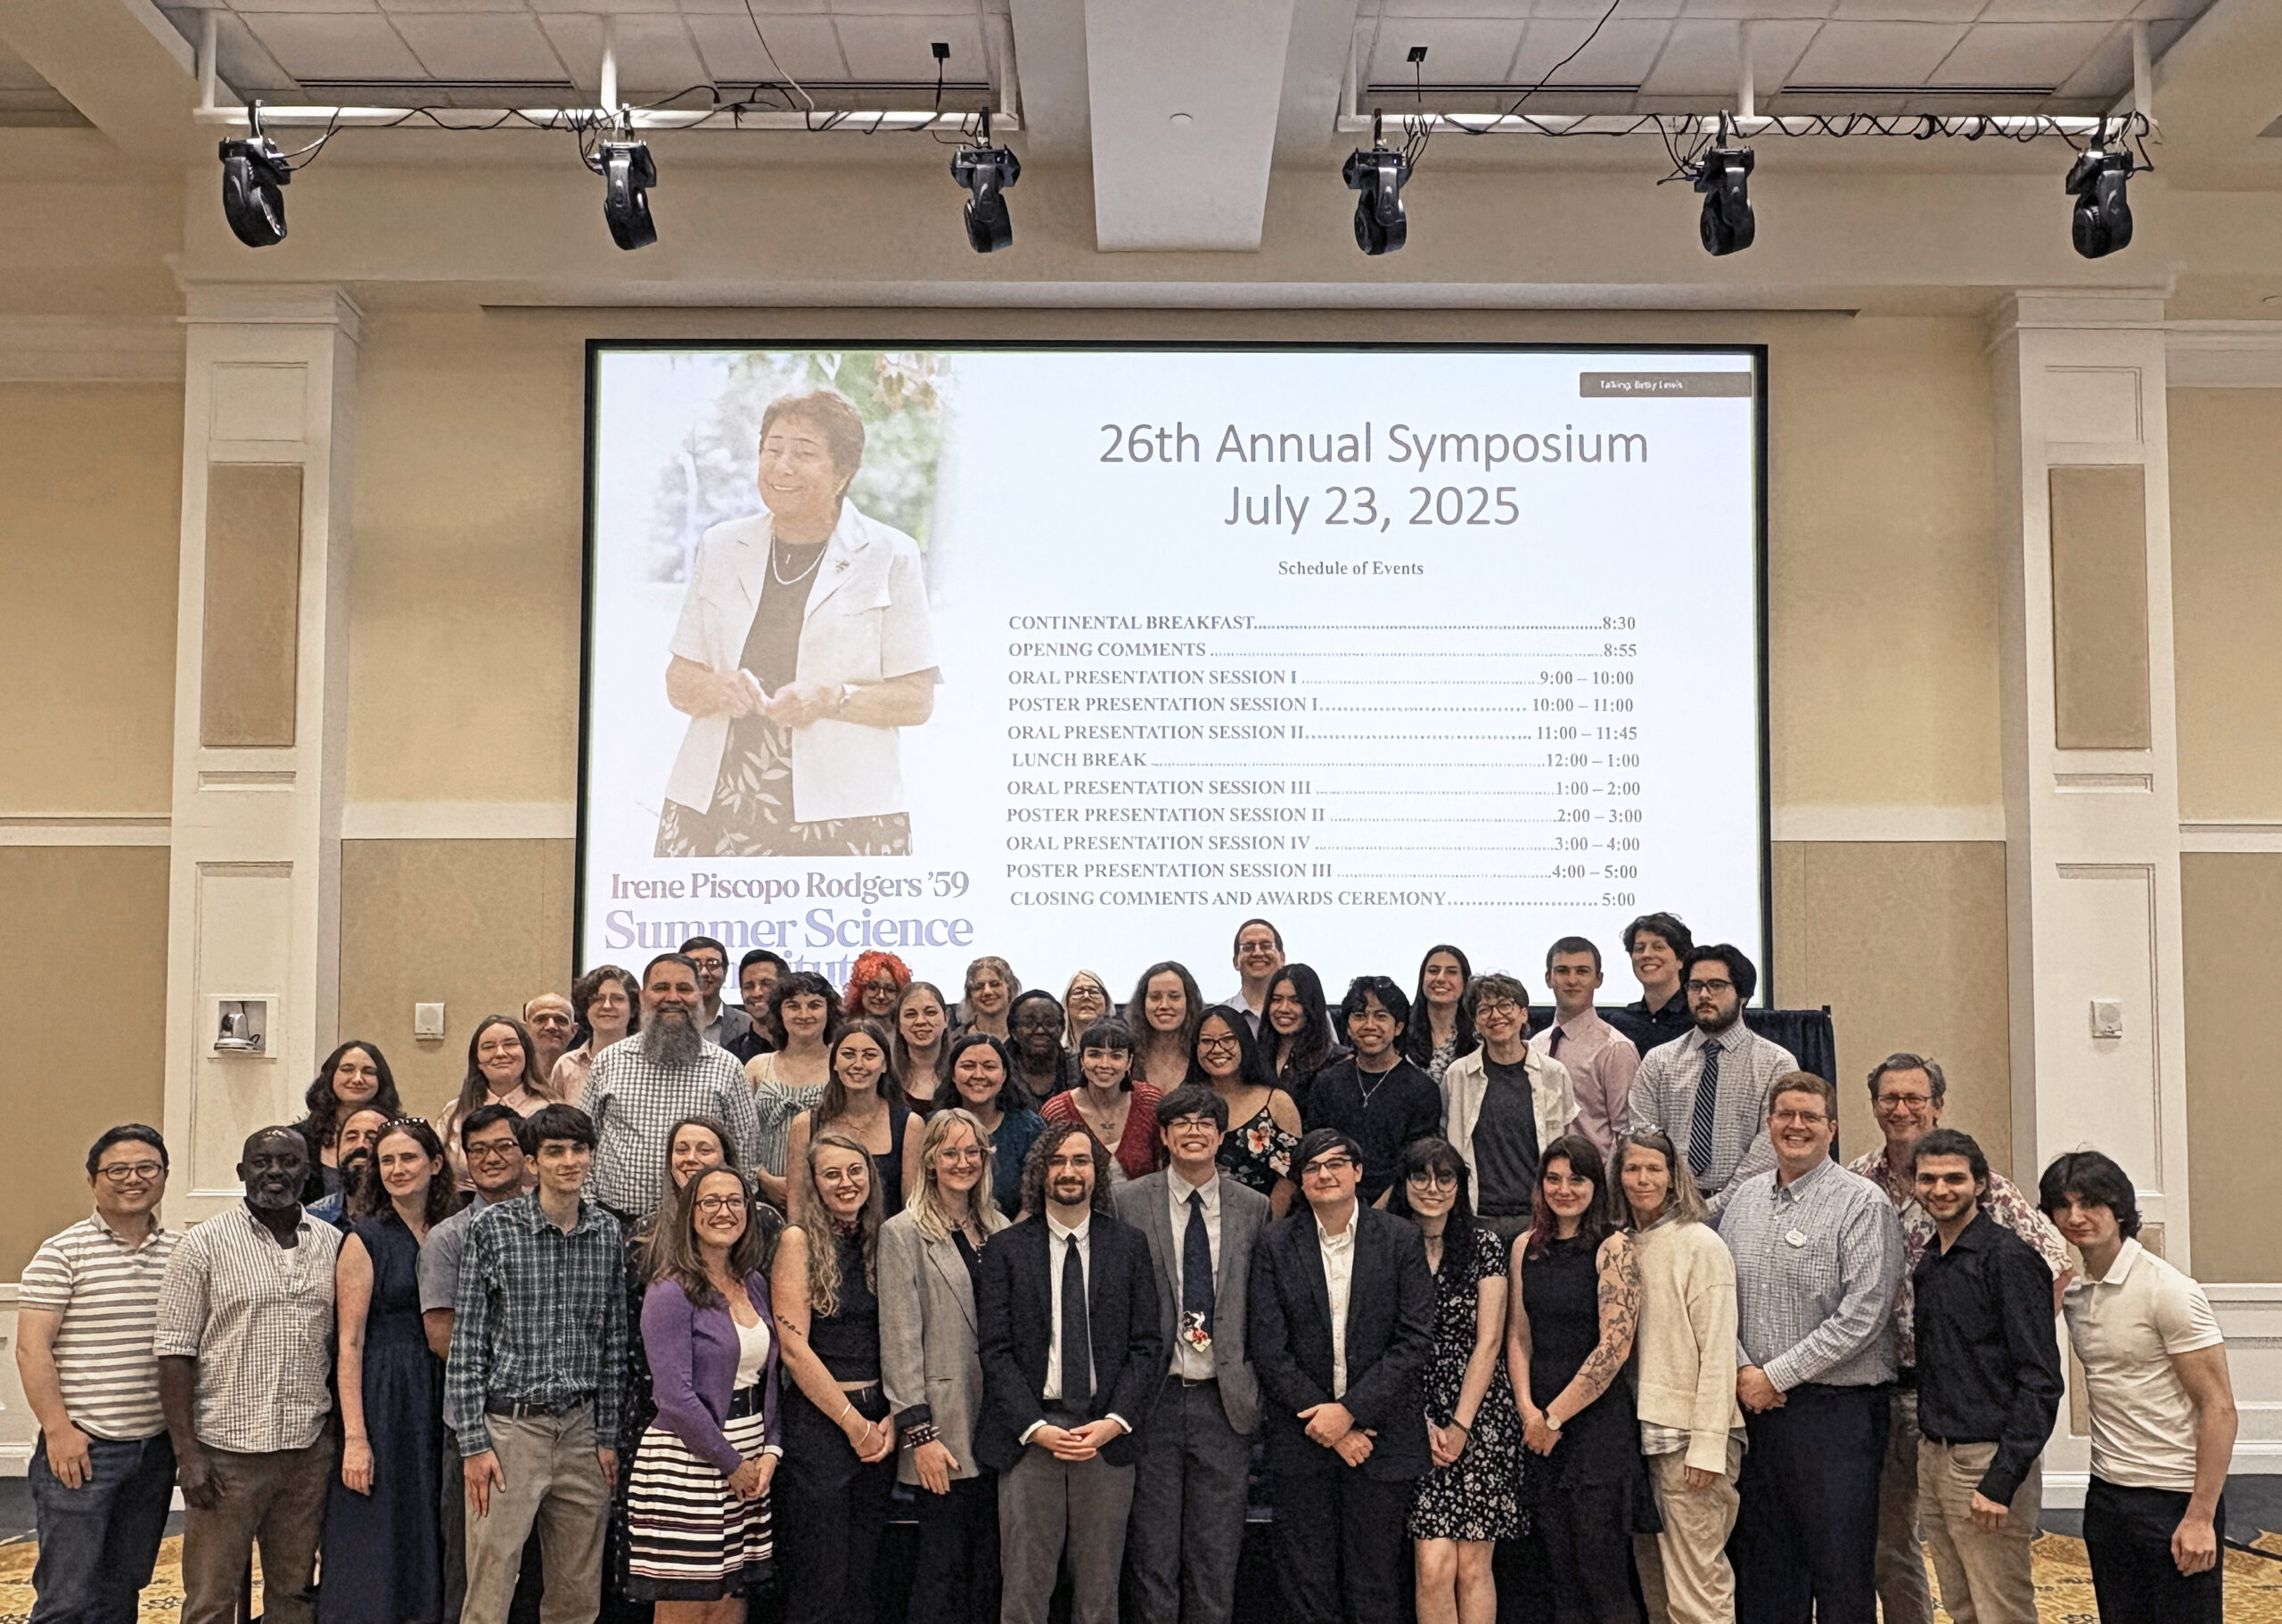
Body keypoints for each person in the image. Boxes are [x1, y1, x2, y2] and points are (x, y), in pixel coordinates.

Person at [656, 386, 940, 858]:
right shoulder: (722, 546)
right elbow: (678, 680)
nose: (781, 466)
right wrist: (717, 689)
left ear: (842, 472)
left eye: (803, 453)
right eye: (772, 450)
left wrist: (832, 698)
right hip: (714, 809)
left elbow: (917, 701)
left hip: (846, 816)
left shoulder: (891, 554)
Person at [1847, 1054, 2069, 1624]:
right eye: (1889, 1098)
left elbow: (2056, 1261)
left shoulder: (1993, 1210)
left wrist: (1999, 1338)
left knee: (1995, 1585)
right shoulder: (1856, 1180)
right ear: (1874, 1106)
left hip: (1980, 1415)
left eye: (1914, 1098)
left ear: (1937, 1104)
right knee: (1910, 1554)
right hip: (1894, 1400)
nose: (1901, 1108)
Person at [1717, 1072, 1902, 1624]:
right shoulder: (1743, 1200)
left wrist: (1774, 1376)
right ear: (1768, 1123)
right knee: (1765, 1567)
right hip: (1755, 1412)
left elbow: (1863, 1317)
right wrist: (1746, 1370)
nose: (1796, 1126)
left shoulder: (1861, 1204)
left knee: (1840, 1571)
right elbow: (1718, 1297)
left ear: (1832, 1128)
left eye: (1809, 1117)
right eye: (1785, 1115)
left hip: (1836, 1418)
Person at [447, 1103, 628, 1624]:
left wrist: (607, 1434)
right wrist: (473, 1443)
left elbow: (614, 1342)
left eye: (578, 1149)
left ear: (591, 1156)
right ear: (532, 1162)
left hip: (581, 1429)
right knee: (491, 1582)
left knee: (576, 1591)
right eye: (554, 1152)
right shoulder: (495, 1229)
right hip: (510, 1430)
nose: (569, 1161)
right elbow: (467, 1345)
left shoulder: (606, 1234)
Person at [975, 1123, 1162, 1624]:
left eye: (1080, 1161)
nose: (1069, 1171)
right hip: (1031, 1440)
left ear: (1096, 1173)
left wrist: (1114, 1421)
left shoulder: (1129, 1245)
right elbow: (995, 1351)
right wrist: (1037, 1429)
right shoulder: (1006, 1249)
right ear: (1039, 1173)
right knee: (1024, 1593)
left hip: (1105, 1438)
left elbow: (1147, 1346)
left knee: (1100, 1597)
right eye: (1057, 1161)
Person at [1247, 1128, 1436, 1624]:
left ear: (1357, 1172)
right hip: (1301, 1437)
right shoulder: (1274, 1243)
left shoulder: (1400, 1238)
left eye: (1336, 1164)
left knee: (1374, 1581)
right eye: (1312, 1167)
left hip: (1380, 1438)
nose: (1324, 1174)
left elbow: (1413, 1340)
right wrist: (1332, 1430)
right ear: (1301, 1182)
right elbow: (1269, 1347)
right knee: (1306, 1583)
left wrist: (1350, 1414)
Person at [156, 1128, 341, 1624]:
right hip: (225, 1457)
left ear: (309, 1173)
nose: (274, 1172)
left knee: (294, 1595)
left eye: (287, 1162)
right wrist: (187, 1456)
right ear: (242, 1172)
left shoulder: (333, 1245)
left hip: (306, 1453)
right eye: (261, 1162)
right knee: (211, 1600)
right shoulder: (203, 1245)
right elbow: (174, 1353)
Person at [2041, 1150, 2236, 1624]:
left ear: (2120, 1209)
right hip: (2107, 1495)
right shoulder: (2075, 1292)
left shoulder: (2167, 1289)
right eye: (2062, 1206)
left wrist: (2200, 1517)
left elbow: (2219, 1409)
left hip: (2174, 1496)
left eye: (2090, 1203)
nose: (2076, 1217)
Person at [1112, 1085, 1270, 1624]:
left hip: (1223, 1404)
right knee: (1152, 1557)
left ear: (1222, 1136)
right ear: (1163, 1134)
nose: (1194, 1130)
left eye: (1206, 1122)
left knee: (1216, 1557)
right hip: (1152, 1400)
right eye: (1181, 1122)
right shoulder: (1130, 1201)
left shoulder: (1254, 1207)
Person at [18, 1125, 179, 1624]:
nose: (133, 1179)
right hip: (84, 1449)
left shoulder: (184, 1253)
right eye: (117, 1170)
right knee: (67, 1595)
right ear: (93, 1181)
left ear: (164, 1176)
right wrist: (58, 1431)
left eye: (146, 1168)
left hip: (154, 1450)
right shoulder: (61, 1253)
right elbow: (31, 1350)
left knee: (123, 1586)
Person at [1909, 1128, 2063, 1624]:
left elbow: (2041, 1380)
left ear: (1980, 1185)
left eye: (1955, 1178)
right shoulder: (1931, 1262)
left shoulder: (2010, 1259)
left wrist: (2000, 1482)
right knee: (1960, 1605)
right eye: (1928, 1178)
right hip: (1935, 1455)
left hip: (1987, 1461)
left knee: (2002, 1609)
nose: (1940, 1189)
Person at [624, 1166, 783, 1618]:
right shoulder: (669, 1289)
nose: (724, 1211)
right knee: (689, 1608)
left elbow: (769, 1373)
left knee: (730, 1604)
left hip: (751, 1454)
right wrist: (731, 1464)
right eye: (710, 1201)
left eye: (735, 1201)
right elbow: (673, 1395)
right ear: (690, 1214)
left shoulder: (752, 1282)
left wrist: (771, 1450)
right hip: (688, 1463)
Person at [606, 1120, 748, 1624]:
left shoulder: (750, 1272)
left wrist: (764, 1447)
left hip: (744, 1444)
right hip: (676, 1440)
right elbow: (635, 1354)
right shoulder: (652, 1253)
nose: (691, 1157)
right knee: (686, 1593)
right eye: (680, 1149)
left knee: (731, 1594)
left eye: (704, 1148)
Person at [323, 1119, 460, 1624]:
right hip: (385, 1390)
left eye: (409, 1158)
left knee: (433, 1515)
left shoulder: (456, 1228)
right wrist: (355, 1437)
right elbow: (349, 1342)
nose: (398, 1169)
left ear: (436, 1164)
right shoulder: (365, 1238)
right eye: (388, 1161)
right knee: (380, 1521)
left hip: (442, 1385)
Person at [1507, 1134, 1646, 1624]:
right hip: (1540, 1429)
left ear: (1596, 1186)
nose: (1564, 1189)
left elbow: (1614, 1348)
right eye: (1554, 1178)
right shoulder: (1526, 1245)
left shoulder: (1614, 1248)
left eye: (1577, 1179)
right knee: (1559, 1577)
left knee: (1602, 1577)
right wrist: (1528, 1411)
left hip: (1594, 1430)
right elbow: (1519, 1336)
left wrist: (1555, 1416)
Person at [880, 1110, 1011, 1624]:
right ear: (930, 1160)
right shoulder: (903, 1233)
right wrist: (919, 1434)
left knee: (990, 1569)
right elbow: (899, 1340)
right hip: (942, 1427)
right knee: (941, 1568)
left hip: (998, 1425)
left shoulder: (998, 1226)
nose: (962, 1162)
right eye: (950, 1152)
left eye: (972, 1152)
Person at [1385, 1137, 1521, 1624]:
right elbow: (1384, 1342)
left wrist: (1461, 1425)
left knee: (1472, 1565)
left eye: (1446, 1178)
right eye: (1420, 1176)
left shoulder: (1484, 1244)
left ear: (1460, 1186)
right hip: (1411, 1412)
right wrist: (1419, 1420)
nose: (1433, 1188)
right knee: (1432, 1564)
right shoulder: (1387, 1241)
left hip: (1479, 1413)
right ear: (1404, 1183)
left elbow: (1490, 1341)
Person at [1616, 1130, 1743, 1624]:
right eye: (1632, 1168)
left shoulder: (1699, 1243)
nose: (1642, 1179)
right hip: (1639, 1438)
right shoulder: (1623, 1244)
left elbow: (1718, 1350)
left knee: (1697, 1593)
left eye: (1654, 1168)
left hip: (1690, 1441)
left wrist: (1708, 1445)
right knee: (1657, 1590)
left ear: (1673, 1177)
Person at [417, 1105, 537, 1624]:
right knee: (473, 1567)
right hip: (479, 1421)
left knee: (539, 1569)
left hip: (550, 1423)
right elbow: (442, 1335)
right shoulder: (448, 1238)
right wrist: (512, 1377)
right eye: (478, 1150)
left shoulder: (559, 1223)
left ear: (527, 1155)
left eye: (503, 1146)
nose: (491, 1158)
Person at [771, 1133, 896, 1624]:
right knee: (820, 1581)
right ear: (815, 1184)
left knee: (863, 1579)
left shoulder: (883, 1238)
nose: (846, 1183)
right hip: (822, 1427)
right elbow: (794, 1350)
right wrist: (852, 1423)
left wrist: (889, 1418)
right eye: (831, 1174)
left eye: (855, 1170)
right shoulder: (797, 1240)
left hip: (880, 1425)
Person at [582, 954, 765, 1224]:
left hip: (700, 1229)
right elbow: (583, 1144)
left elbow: (746, 1157)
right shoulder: (608, 1061)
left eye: (684, 988)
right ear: (643, 997)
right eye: (661, 988)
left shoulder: (727, 1067)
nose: (673, 997)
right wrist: (591, 1212)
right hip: (615, 1224)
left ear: (699, 994)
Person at [1625, 945, 1796, 1213]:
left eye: (1716, 985)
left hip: (1748, 1212)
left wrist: (1713, 1208)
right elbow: (1642, 1140)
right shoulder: (1659, 1061)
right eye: (1695, 986)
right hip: (1665, 1211)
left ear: (1743, 994)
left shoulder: (1776, 1064)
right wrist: (1671, 1205)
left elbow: (1769, 1150)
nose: (1704, 995)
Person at [1440, 972, 1578, 1243]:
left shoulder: (1553, 1073)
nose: (1496, 1015)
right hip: (1476, 1215)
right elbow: (1447, 1139)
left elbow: (1562, 1144)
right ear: (1476, 1022)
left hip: (1538, 1216)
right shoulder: (1457, 1075)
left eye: (1506, 1005)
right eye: (1484, 1009)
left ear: (1524, 1014)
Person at [1308, 976, 1441, 1207]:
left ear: (1398, 1026)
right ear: (1348, 1027)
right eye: (1359, 1016)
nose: (1370, 1025)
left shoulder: (1422, 1088)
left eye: (1381, 1016)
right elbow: (1316, 1149)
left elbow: (1416, 1161)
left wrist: (1377, 1213)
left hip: (1397, 1209)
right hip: (1333, 1202)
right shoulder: (1327, 1082)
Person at [785, 1018, 911, 1222]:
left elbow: (910, 1212)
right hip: (823, 1246)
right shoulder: (805, 1124)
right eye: (848, 1054)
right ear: (834, 1063)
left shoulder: (908, 1124)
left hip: (888, 1247)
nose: (858, 1064)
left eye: (869, 1055)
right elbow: (797, 1211)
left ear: (885, 1064)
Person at [1532, 938, 1638, 1159]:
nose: (1572, 980)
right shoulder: (1534, 1046)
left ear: (1598, 979)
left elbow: (1626, 1133)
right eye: (1562, 971)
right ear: (1548, 978)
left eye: (1582, 971)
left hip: (1596, 1182)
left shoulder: (1615, 1048)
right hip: (1542, 1179)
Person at [1196, 1003, 1302, 1215]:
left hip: (1264, 1222)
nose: (1217, 1049)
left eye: (1227, 1040)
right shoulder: (1186, 1100)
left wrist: (1264, 1228)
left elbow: (1289, 1176)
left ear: (1244, 1042)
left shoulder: (1276, 1102)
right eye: (1207, 1041)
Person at [745, 971, 840, 1208]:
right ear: (779, 1012)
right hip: (762, 1199)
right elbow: (740, 1136)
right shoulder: (758, 1067)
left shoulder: (841, 1066)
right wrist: (763, 1178)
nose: (804, 1014)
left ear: (829, 1011)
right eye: (793, 1006)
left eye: (814, 1005)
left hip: (827, 1198)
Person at [439, 1015, 557, 1190]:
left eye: (510, 1044)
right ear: (477, 1061)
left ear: (526, 1053)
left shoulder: (553, 1110)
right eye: (488, 1047)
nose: (500, 1053)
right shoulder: (454, 1112)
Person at [1042, 1017, 1162, 1185]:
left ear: (1129, 1062)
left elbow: (1166, 1165)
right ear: (1082, 1060)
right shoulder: (1057, 1111)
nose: (1105, 1064)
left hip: (1146, 1208)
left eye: (1116, 1056)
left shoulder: (1151, 1101)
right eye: (1095, 1054)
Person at [943, 1032, 1044, 1219]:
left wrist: (1007, 1240)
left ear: (1004, 1074)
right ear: (953, 1075)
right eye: (968, 1066)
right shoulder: (934, 1126)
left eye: (989, 1066)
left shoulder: (1029, 1128)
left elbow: (1034, 1201)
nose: (978, 1075)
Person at [295, 1041, 402, 1203]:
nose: (358, 1079)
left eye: (368, 1071)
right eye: (347, 1069)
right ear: (330, 1076)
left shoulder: (401, 1136)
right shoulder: (298, 1140)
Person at [1260, 964, 1345, 1117]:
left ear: (1312, 1006)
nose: (1284, 1008)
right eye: (1276, 999)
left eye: (1296, 1001)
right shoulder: (1256, 1057)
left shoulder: (1337, 1062)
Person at [554, 966, 641, 1102]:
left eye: (618, 998)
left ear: (634, 1009)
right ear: (585, 1007)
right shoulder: (566, 1066)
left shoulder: (647, 1065)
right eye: (598, 998)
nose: (606, 1006)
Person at [1616, 912, 1695, 1052]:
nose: (1646, 954)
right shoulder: (1621, 1023)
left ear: (1681, 959)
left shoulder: (1698, 1017)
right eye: (1639, 948)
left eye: (1658, 947)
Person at [1403, 945, 1477, 1085]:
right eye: (1433, 970)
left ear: (1465, 981)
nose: (1441, 978)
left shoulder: (1478, 1037)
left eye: (1451, 972)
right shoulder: (1400, 1033)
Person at [1125, 960, 1203, 1091]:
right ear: (1142, 1003)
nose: (1164, 1006)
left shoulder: (1205, 1055)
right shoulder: (1126, 1056)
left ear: (1189, 1002)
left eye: (1174, 997)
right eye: (1155, 997)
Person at [309, 1105, 390, 1227]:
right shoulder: (314, 1217)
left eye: (373, 1138)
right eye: (351, 1137)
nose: (360, 1145)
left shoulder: (410, 1217)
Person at [676, 939, 755, 1054]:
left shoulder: (747, 1024)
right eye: (695, 965)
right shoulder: (666, 1022)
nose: (704, 973)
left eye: (713, 964)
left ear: (726, 971)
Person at [891, 980, 952, 1114]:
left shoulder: (961, 1075)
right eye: (910, 1014)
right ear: (899, 1024)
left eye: (930, 1012)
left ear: (946, 1018)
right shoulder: (886, 1078)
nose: (921, 1021)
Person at [1007, 988, 1075, 1103]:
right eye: (1029, 1024)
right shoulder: (999, 1068)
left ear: (1062, 1029)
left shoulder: (1077, 1068)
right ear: (1014, 1032)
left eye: (1049, 1023)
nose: (1040, 1031)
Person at [1220, 918, 1285, 1035]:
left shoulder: (1307, 1015)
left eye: (1266, 946)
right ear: (1236, 961)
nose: (1257, 953)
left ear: (1282, 958)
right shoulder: (1218, 1018)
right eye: (1248, 947)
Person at [729, 953, 788, 1065]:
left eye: (766, 984)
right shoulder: (731, 1057)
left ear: (786, 987)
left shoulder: (810, 1048)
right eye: (748, 986)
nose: (757, 993)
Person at [957, 956, 1018, 1039]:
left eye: (994, 984)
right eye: (978, 986)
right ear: (969, 995)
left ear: (1010, 989)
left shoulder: (1026, 1038)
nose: (987, 992)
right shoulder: (954, 1041)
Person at [844, 949, 912, 1023]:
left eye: (890, 990)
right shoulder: (846, 1032)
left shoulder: (907, 1033)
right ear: (860, 991)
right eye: (873, 988)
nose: (881, 996)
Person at [526, 995, 580, 1085]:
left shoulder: (589, 1073)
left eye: (560, 1020)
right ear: (526, 1028)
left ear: (573, 1030)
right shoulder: (513, 1074)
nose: (551, 1026)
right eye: (541, 1019)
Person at [1061, 971, 1112, 1053]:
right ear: (1066, 1002)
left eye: (1094, 992)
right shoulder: (1054, 1051)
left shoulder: (1124, 1047)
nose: (1086, 997)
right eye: (1078, 992)